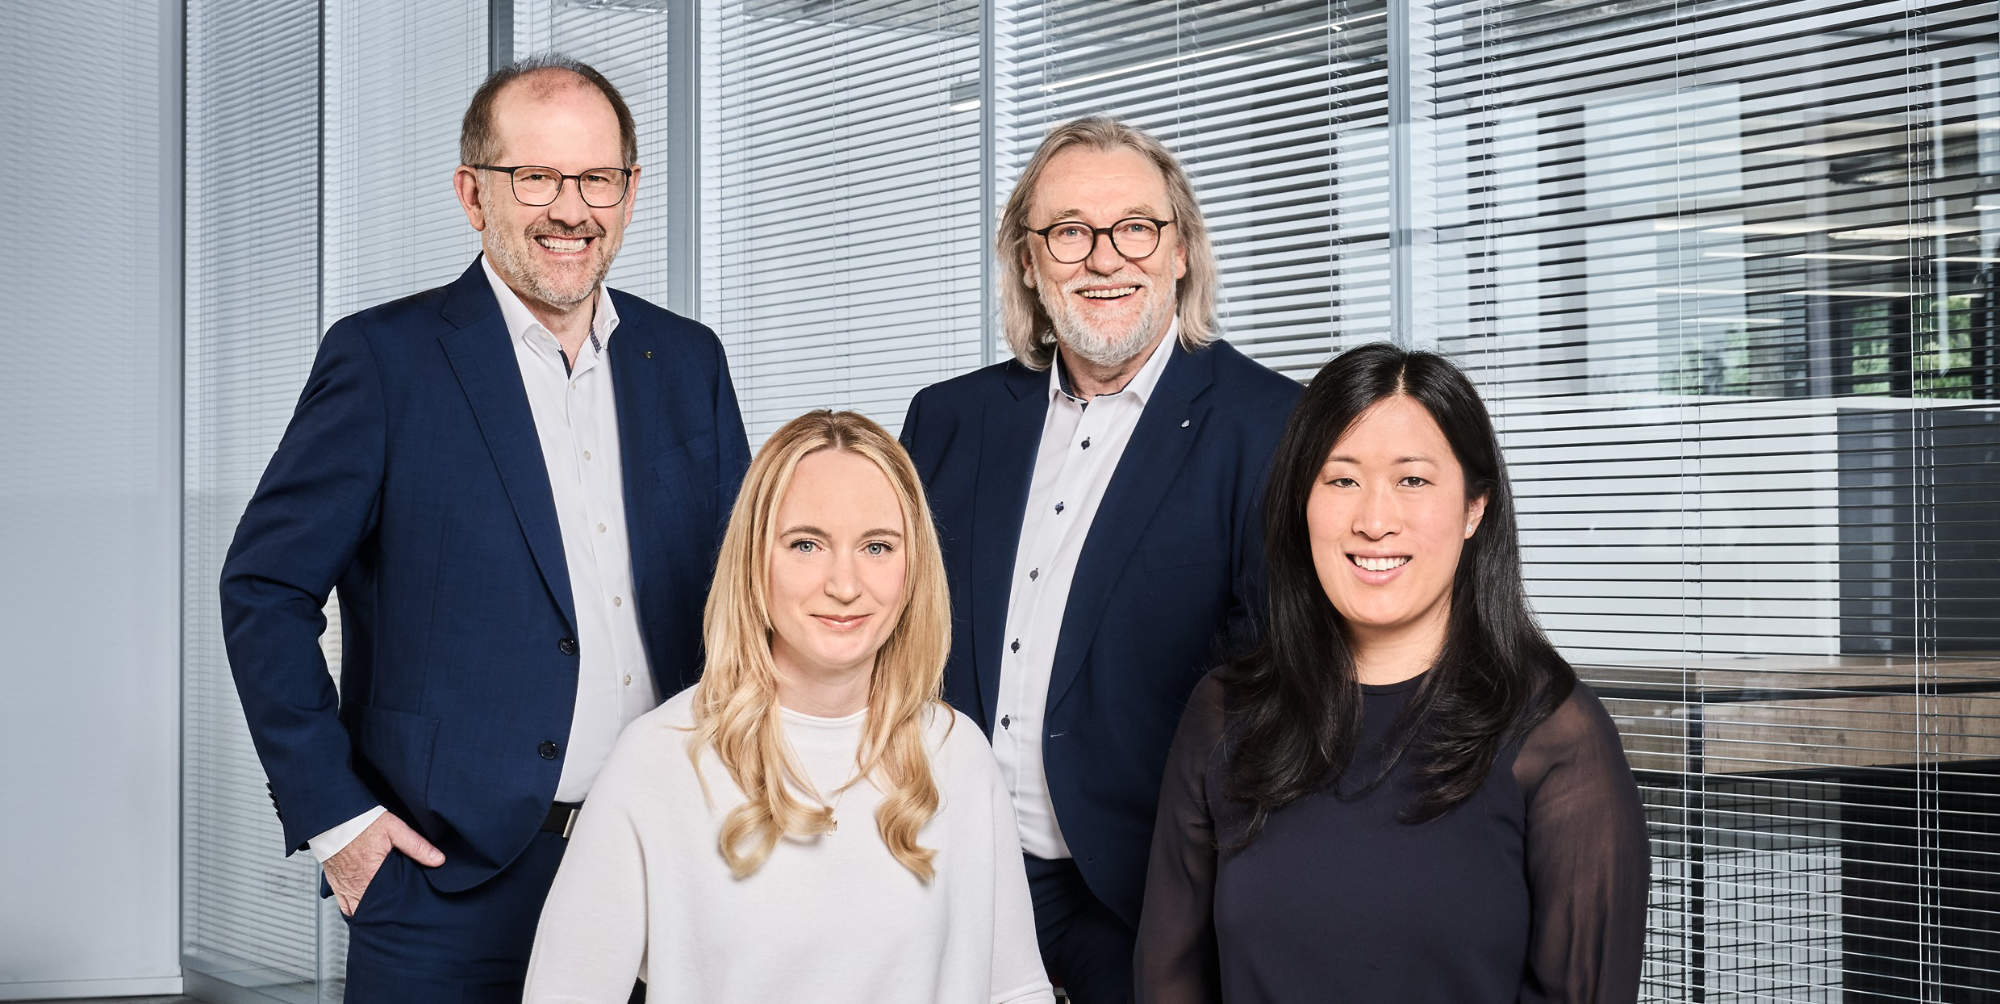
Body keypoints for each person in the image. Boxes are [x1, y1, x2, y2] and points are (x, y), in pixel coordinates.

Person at [218, 55, 749, 1000]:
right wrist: (340, 823)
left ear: (630, 193)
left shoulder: (688, 362)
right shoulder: (385, 361)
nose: (571, 210)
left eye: (597, 179)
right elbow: (265, 588)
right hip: (444, 887)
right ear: (473, 194)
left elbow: (738, 598)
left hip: (664, 866)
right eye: (536, 177)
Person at [900, 116, 1300, 1001]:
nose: (1105, 258)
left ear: (1181, 250)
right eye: (1070, 232)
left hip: (1143, 899)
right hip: (944, 869)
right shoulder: (949, 420)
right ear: (1029, 260)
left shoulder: (1272, 428)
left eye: (1136, 228)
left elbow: (1283, 697)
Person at [1134, 343, 1650, 1003]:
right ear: (1301, 502)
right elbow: (1168, 979)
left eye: (1412, 481)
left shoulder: (1556, 739)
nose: (1374, 522)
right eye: (1341, 480)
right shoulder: (1225, 712)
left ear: (1474, 507)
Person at [522, 411, 1055, 1003]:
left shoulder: (958, 754)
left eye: (877, 546)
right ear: (754, 558)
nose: (845, 585)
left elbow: (1017, 991)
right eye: (806, 544)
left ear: (915, 568)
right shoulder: (658, 759)